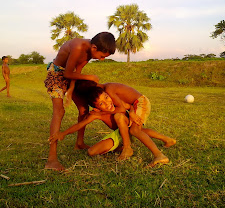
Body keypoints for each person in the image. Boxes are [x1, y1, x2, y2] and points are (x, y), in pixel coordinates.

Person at [49, 80, 176, 167]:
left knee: (130, 126)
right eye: (101, 104)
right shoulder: (98, 111)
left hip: (139, 103)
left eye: (106, 98)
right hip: (121, 129)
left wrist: (131, 112)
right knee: (134, 131)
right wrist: (63, 133)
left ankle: (156, 155)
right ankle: (167, 140)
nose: (107, 102)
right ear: (96, 108)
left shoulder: (110, 92)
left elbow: (127, 106)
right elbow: (81, 124)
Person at [44, 32, 116, 171]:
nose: (101, 59)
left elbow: (77, 71)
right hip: (57, 74)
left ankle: (79, 143)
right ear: (94, 47)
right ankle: (51, 159)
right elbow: (66, 73)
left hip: (71, 77)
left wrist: (71, 90)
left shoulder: (90, 52)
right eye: (102, 56)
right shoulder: (78, 46)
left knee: (84, 109)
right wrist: (90, 77)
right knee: (59, 111)